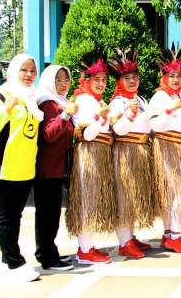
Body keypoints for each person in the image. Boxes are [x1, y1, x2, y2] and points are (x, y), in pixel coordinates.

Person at [0, 53, 44, 282]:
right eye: (23, 70)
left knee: (15, 216)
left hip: (24, 168)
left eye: (32, 71)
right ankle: (14, 262)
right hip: (3, 167)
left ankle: (6, 261)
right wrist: (4, 111)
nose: (28, 75)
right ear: (13, 71)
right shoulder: (1, 95)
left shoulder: (31, 98)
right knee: (6, 217)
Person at [67, 53, 116, 264]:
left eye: (104, 80)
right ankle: (84, 250)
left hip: (100, 154)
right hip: (88, 154)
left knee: (92, 198)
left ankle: (88, 246)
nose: (101, 84)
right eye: (97, 80)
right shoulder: (82, 100)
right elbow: (86, 134)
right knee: (86, 200)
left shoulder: (96, 100)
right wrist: (102, 117)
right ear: (87, 80)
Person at [107, 49, 156, 258]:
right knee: (124, 197)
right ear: (119, 81)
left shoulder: (141, 99)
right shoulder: (117, 102)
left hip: (141, 151)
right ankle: (124, 242)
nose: (132, 81)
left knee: (135, 195)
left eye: (135, 77)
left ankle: (131, 235)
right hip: (125, 152)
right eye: (127, 78)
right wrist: (130, 113)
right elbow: (118, 130)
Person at [149, 46, 181, 254]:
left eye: (178, 75)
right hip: (167, 146)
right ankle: (174, 235)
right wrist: (171, 110)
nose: (176, 79)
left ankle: (169, 234)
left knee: (176, 192)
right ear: (164, 76)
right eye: (172, 76)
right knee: (179, 190)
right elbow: (155, 125)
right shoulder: (159, 97)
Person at [34, 64, 76, 271]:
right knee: (47, 216)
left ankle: (51, 253)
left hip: (57, 169)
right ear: (50, 81)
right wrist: (66, 115)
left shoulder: (61, 102)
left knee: (51, 215)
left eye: (66, 80)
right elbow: (49, 134)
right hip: (47, 169)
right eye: (58, 80)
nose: (63, 84)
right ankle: (47, 258)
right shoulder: (48, 103)